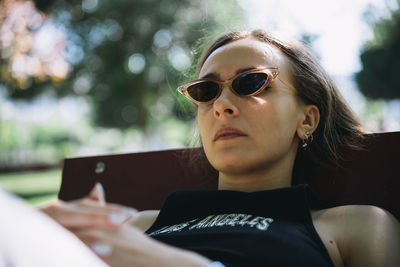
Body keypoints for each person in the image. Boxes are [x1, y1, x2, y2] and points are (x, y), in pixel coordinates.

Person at [40, 29, 400, 266]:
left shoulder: (355, 227)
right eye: (205, 91)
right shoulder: (142, 224)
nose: (221, 105)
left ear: (306, 119)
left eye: (252, 83)